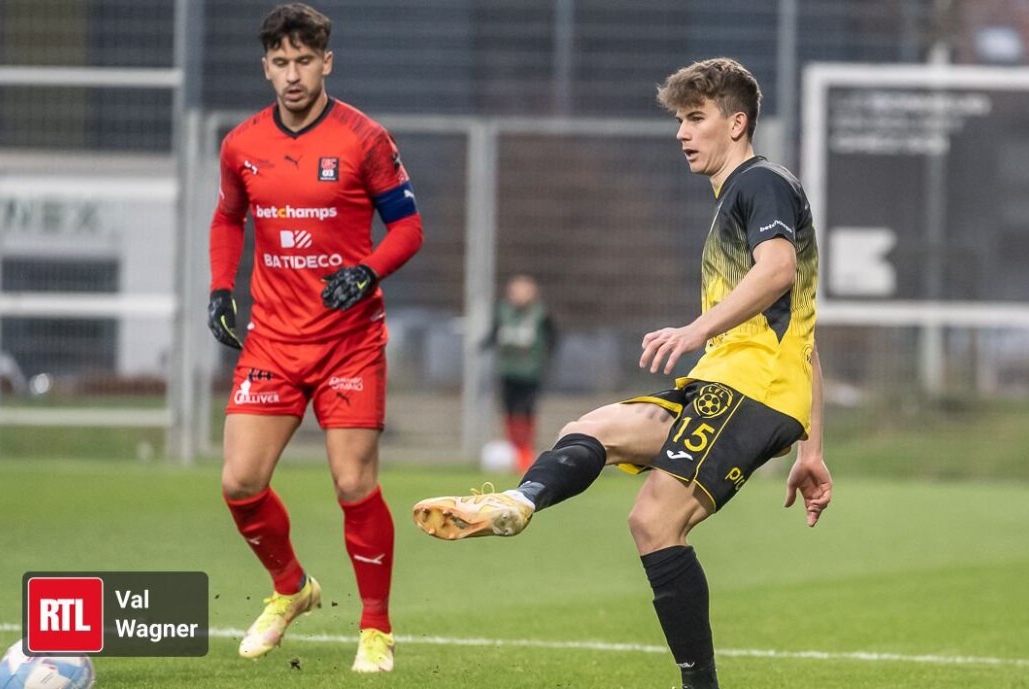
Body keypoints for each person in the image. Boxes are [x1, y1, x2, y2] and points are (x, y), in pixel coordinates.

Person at [412, 57, 831, 689]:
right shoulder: (736, 196)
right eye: (679, 120)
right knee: (592, 428)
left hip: (750, 389)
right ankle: (519, 501)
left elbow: (776, 272)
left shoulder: (760, 183)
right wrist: (812, 449)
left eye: (696, 118)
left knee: (655, 522)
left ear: (737, 123)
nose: (682, 133)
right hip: (733, 384)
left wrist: (696, 330)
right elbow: (805, 337)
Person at [207, 3, 423, 674]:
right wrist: (220, 287)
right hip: (272, 340)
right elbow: (227, 217)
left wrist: (367, 272)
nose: (293, 75)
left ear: (326, 61)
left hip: (348, 341)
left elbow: (408, 228)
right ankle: (292, 587)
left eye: (305, 61)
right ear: (265, 67)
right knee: (240, 481)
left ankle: (376, 628)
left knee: (353, 482)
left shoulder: (364, 138)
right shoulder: (241, 144)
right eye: (281, 62)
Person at [484, 274, 557, 471]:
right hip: (509, 370)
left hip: (531, 372)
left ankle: (525, 452)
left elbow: (552, 337)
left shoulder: (541, 313)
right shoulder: (502, 311)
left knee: (526, 410)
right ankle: (513, 450)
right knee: (509, 410)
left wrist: (545, 358)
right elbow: (494, 333)